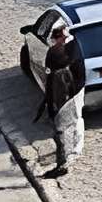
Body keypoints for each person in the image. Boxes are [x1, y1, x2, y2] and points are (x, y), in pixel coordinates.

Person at [32, 17, 86, 177]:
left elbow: (56, 82)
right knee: (74, 122)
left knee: (61, 130)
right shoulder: (72, 47)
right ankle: (72, 153)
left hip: (67, 95)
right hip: (73, 91)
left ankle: (64, 164)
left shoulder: (59, 53)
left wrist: (53, 104)